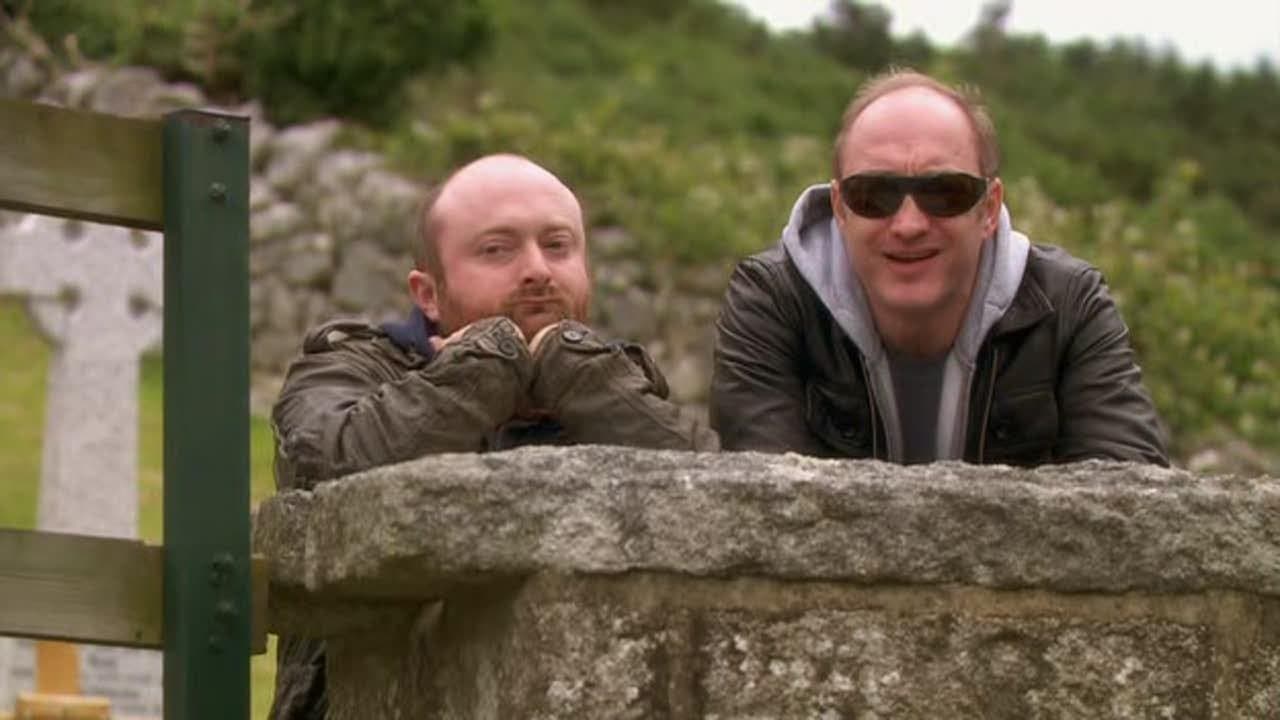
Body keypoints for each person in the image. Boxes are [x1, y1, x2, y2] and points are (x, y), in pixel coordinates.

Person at [267, 153, 717, 719]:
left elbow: (721, 500)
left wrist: (575, 374)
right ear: (427, 294)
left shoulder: (610, 385)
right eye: (497, 250)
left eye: (557, 246)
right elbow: (322, 463)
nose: (538, 270)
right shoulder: (351, 368)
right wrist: (487, 367)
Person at [710, 69, 1168, 466]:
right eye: (874, 195)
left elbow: (1130, 501)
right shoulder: (774, 301)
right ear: (840, 208)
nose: (908, 224)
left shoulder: (1068, 307)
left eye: (944, 193)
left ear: (989, 209)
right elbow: (765, 503)